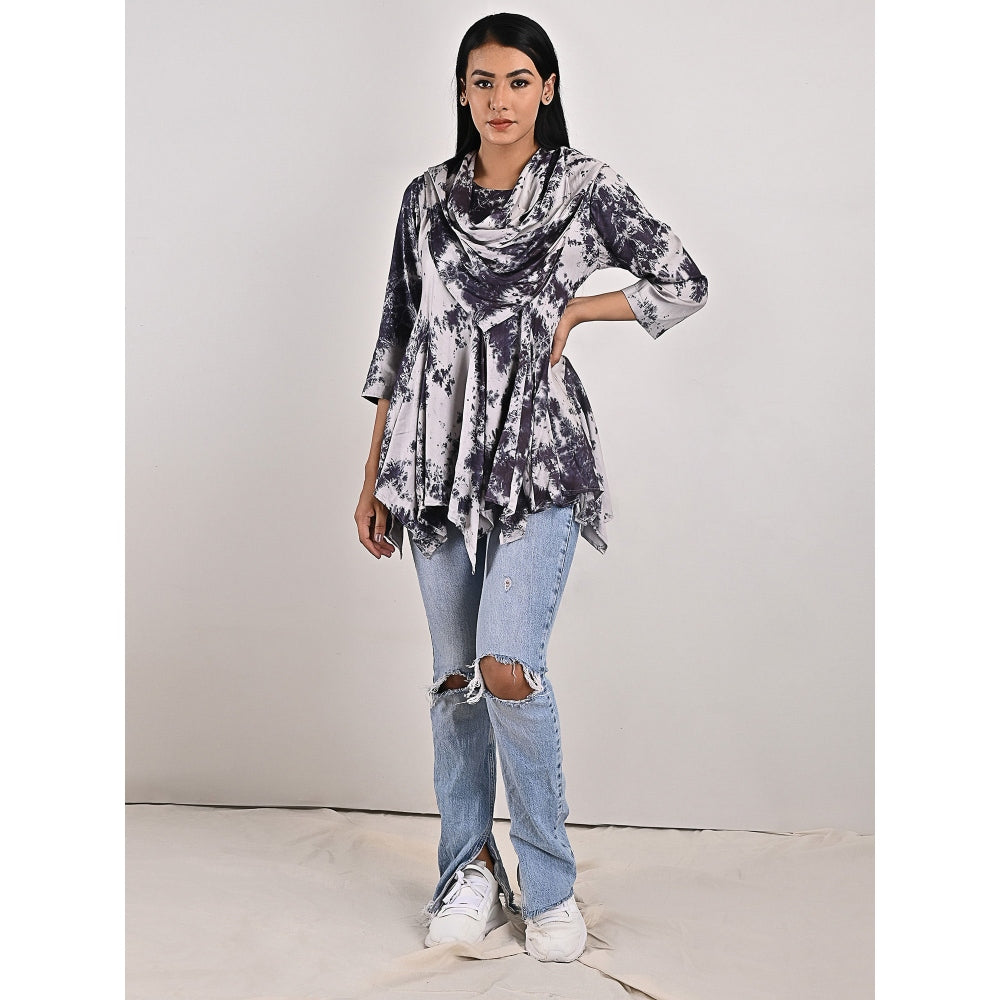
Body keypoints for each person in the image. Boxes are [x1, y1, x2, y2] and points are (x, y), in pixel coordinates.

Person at [354, 12, 708, 964]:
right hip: (427, 458)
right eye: (483, 82)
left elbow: (682, 281)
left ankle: (549, 887)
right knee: (455, 678)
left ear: (547, 88)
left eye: (518, 81)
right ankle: (466, 870)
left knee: (507, 664)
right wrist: (372, 474)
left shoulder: (584, 186)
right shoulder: (425, 198)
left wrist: (577, 310)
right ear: (462, 91)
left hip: (538, 452)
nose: (499, 100)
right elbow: (396, 338)